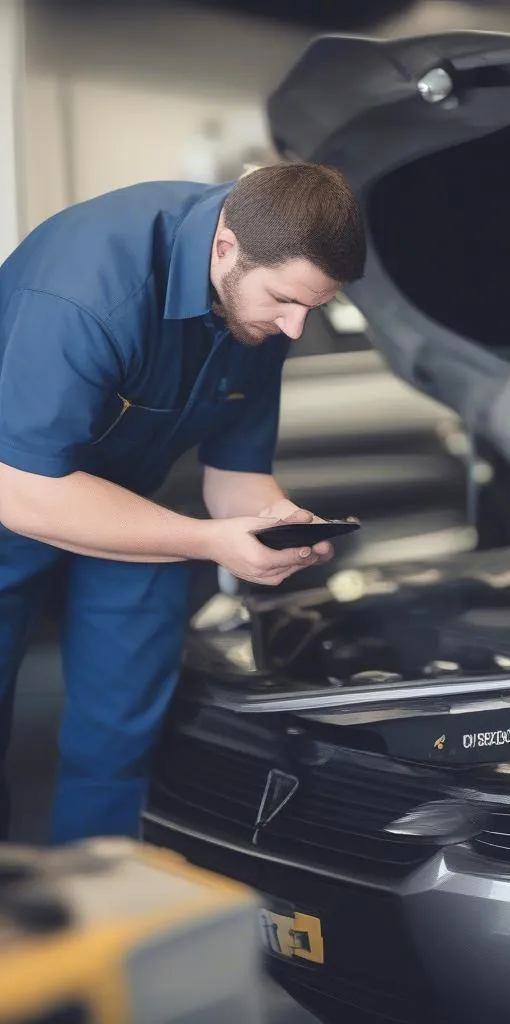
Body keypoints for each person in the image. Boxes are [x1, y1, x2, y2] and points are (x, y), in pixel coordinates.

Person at [0, 161, 366, 843]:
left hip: (137, 506)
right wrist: (207, 541)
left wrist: (271, 525)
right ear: (224, 248)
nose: (294, 329)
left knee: (121, 732)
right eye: (286, 301)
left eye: (312, 309)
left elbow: (236, 478)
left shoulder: (264, 301)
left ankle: (100, 919)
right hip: (15, 487)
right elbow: (24, 494)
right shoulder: (87, 290)